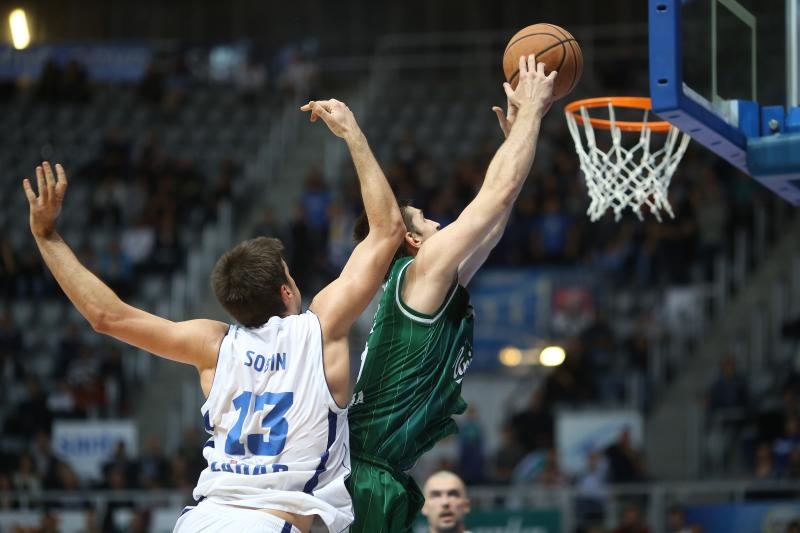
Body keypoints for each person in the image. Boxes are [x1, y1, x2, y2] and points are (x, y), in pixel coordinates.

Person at [22, 97, 404, 533]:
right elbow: (387, 229)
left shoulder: (212, 345)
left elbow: (106, 316)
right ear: (287, 290)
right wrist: (352, 133)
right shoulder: (320, 328)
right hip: (269, 523)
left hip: (202, 521)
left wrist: (47, 235)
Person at [340, 54, 556, 531]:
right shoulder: (423, 270)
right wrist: (535, 112)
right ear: (413, 241)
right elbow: (494, 197)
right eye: (426, 218)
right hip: (366, 472)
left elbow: (495, 221)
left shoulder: (432, 284)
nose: (440, 221)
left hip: (379, 469)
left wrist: (518, 138)